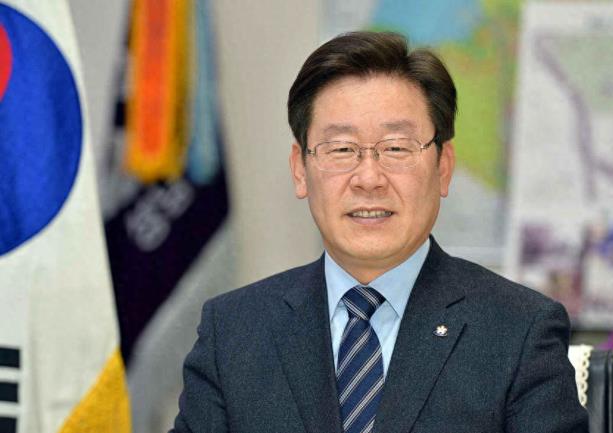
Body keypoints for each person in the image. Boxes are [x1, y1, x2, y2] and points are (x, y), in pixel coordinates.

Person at [172, 31, 589, 433]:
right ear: (300, 169)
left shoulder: (518, 330)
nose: (369, 179)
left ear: (443, 167)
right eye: (341, 149)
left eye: (396, 148)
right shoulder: (233, 331)